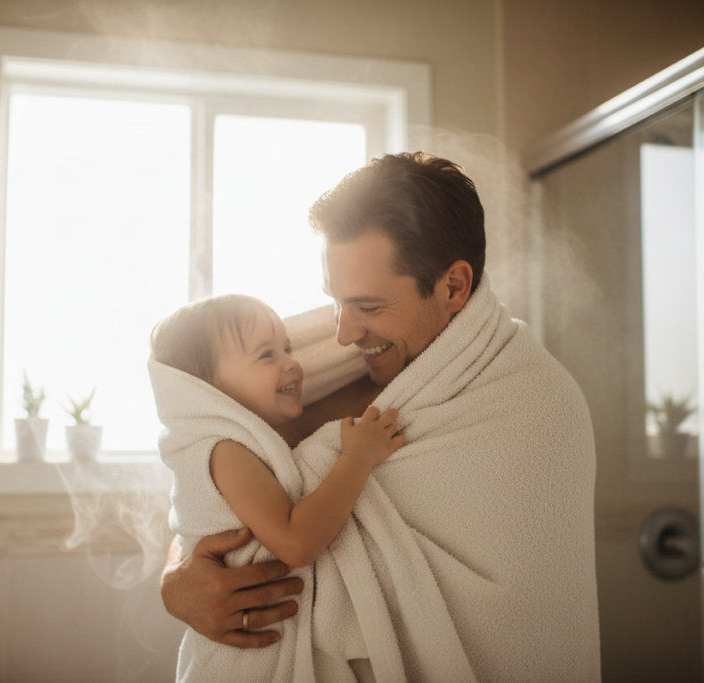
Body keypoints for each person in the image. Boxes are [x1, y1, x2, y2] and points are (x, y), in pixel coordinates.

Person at [160, 152, 601, 682]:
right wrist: (177, 580)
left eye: (368, 308)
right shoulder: (321, 358)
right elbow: (211, 473)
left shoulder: (530, 405)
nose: (343, 333)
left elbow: (527, 619)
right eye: (336, 303)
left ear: (454, 288)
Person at [149, 294, 403, 682]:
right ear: (209, 390)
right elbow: (296, 543)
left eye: (286, 347)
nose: (293, 362)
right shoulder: (226, 451)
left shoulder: (240, 445)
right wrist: (358, 458)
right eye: (267, 355)